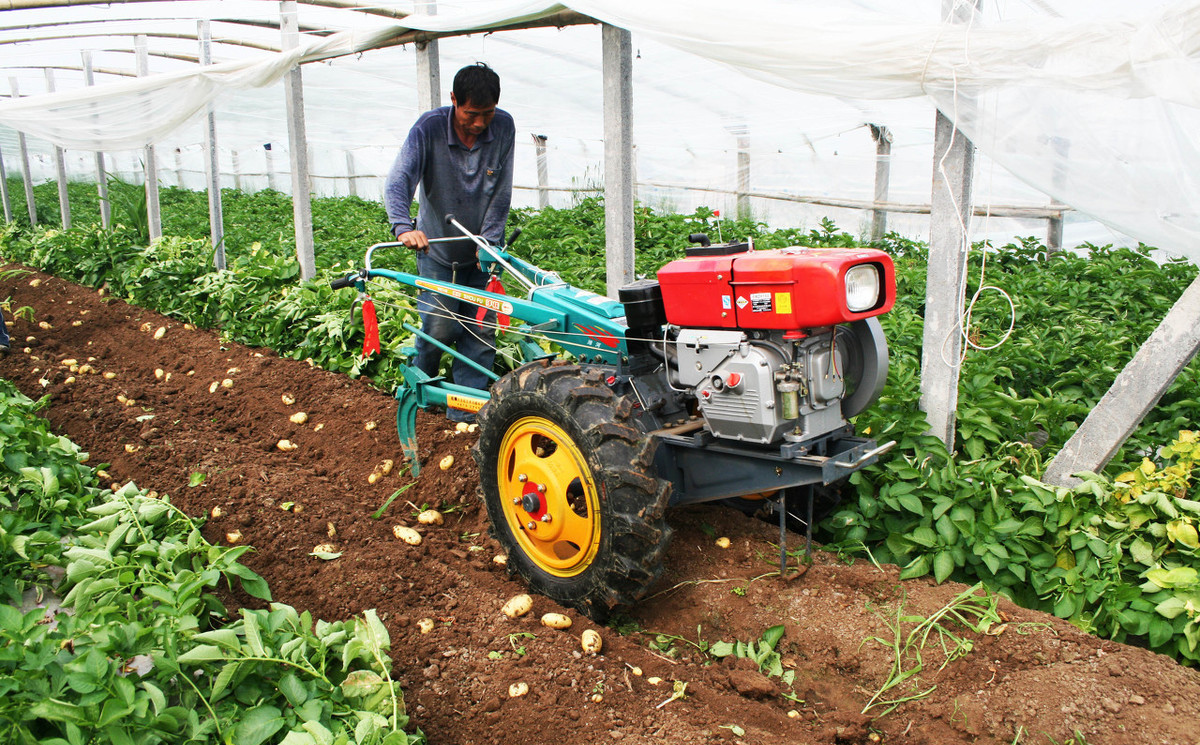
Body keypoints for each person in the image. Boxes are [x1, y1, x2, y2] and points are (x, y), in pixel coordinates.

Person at [384, 62, 515, 422]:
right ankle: (421, 397)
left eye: (487, 113)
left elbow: (501, 191)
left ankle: (465, 413)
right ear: (454, 99)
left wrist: (489, 241)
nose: (480, 123)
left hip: (481, 255)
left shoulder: (504, 126)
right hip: (437, 252)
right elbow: (399, 180)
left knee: (480, 331)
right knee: (438, 328)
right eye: (472, 114)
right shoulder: (429, 129)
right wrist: (402, 227)